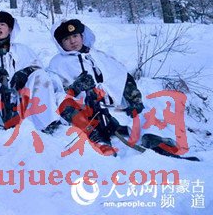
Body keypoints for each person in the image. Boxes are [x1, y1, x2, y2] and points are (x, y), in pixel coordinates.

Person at [48, 19, 185, 156]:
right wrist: (76, 88)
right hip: (86, 112)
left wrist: (134, 98)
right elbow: (55, 95)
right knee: (68, 106)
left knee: (139, 113)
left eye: (75, 36)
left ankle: (152, 138)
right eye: (67, 39)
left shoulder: (97, 55)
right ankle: (97, 139)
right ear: (61, 43)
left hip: (114, 106)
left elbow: (121, 75)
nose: (73, 41)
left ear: (82, 36)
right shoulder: (57, 64)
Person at [0, 10, 63, 131]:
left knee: (40, 77)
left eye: (2, 24)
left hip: (20, 94)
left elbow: (38, 67)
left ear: (10, 29)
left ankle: (45, 121)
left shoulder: (22, 50)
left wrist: (25, 73)